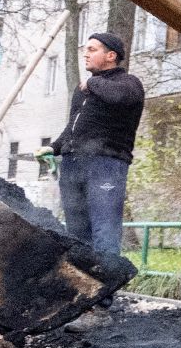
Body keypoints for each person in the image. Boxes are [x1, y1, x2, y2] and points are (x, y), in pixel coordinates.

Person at [51, 32, 144, 329]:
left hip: (106, 165)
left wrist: (91, 83)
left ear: (111, 55)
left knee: (105, 232)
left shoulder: (127, 84)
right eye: (85, 49)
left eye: (92, 49)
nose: (86, 54)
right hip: (73, 163)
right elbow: (73, 127)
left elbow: (120, 97)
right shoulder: (83, 91)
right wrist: (54, 148)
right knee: (77, 235)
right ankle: (80, 304)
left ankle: (101, 309)